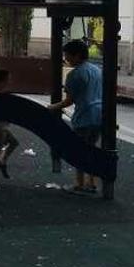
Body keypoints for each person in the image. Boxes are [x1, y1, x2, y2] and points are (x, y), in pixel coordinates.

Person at [49, 40, 103, 194]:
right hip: (99, 116)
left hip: (84, 117)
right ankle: (91, 182)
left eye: (67, 56)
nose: (66, 59)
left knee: (79, 151)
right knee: (92, 150)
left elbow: (68, 101)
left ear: (77, 55)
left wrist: (52, 107)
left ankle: (79, 184)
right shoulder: (97, 70)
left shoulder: (75, 74)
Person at [0, 69, 19, 179]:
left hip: (2, 125)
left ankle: (1, 161)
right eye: (7, 79)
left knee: (14, 142)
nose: (9, 81)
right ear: (1, 81)